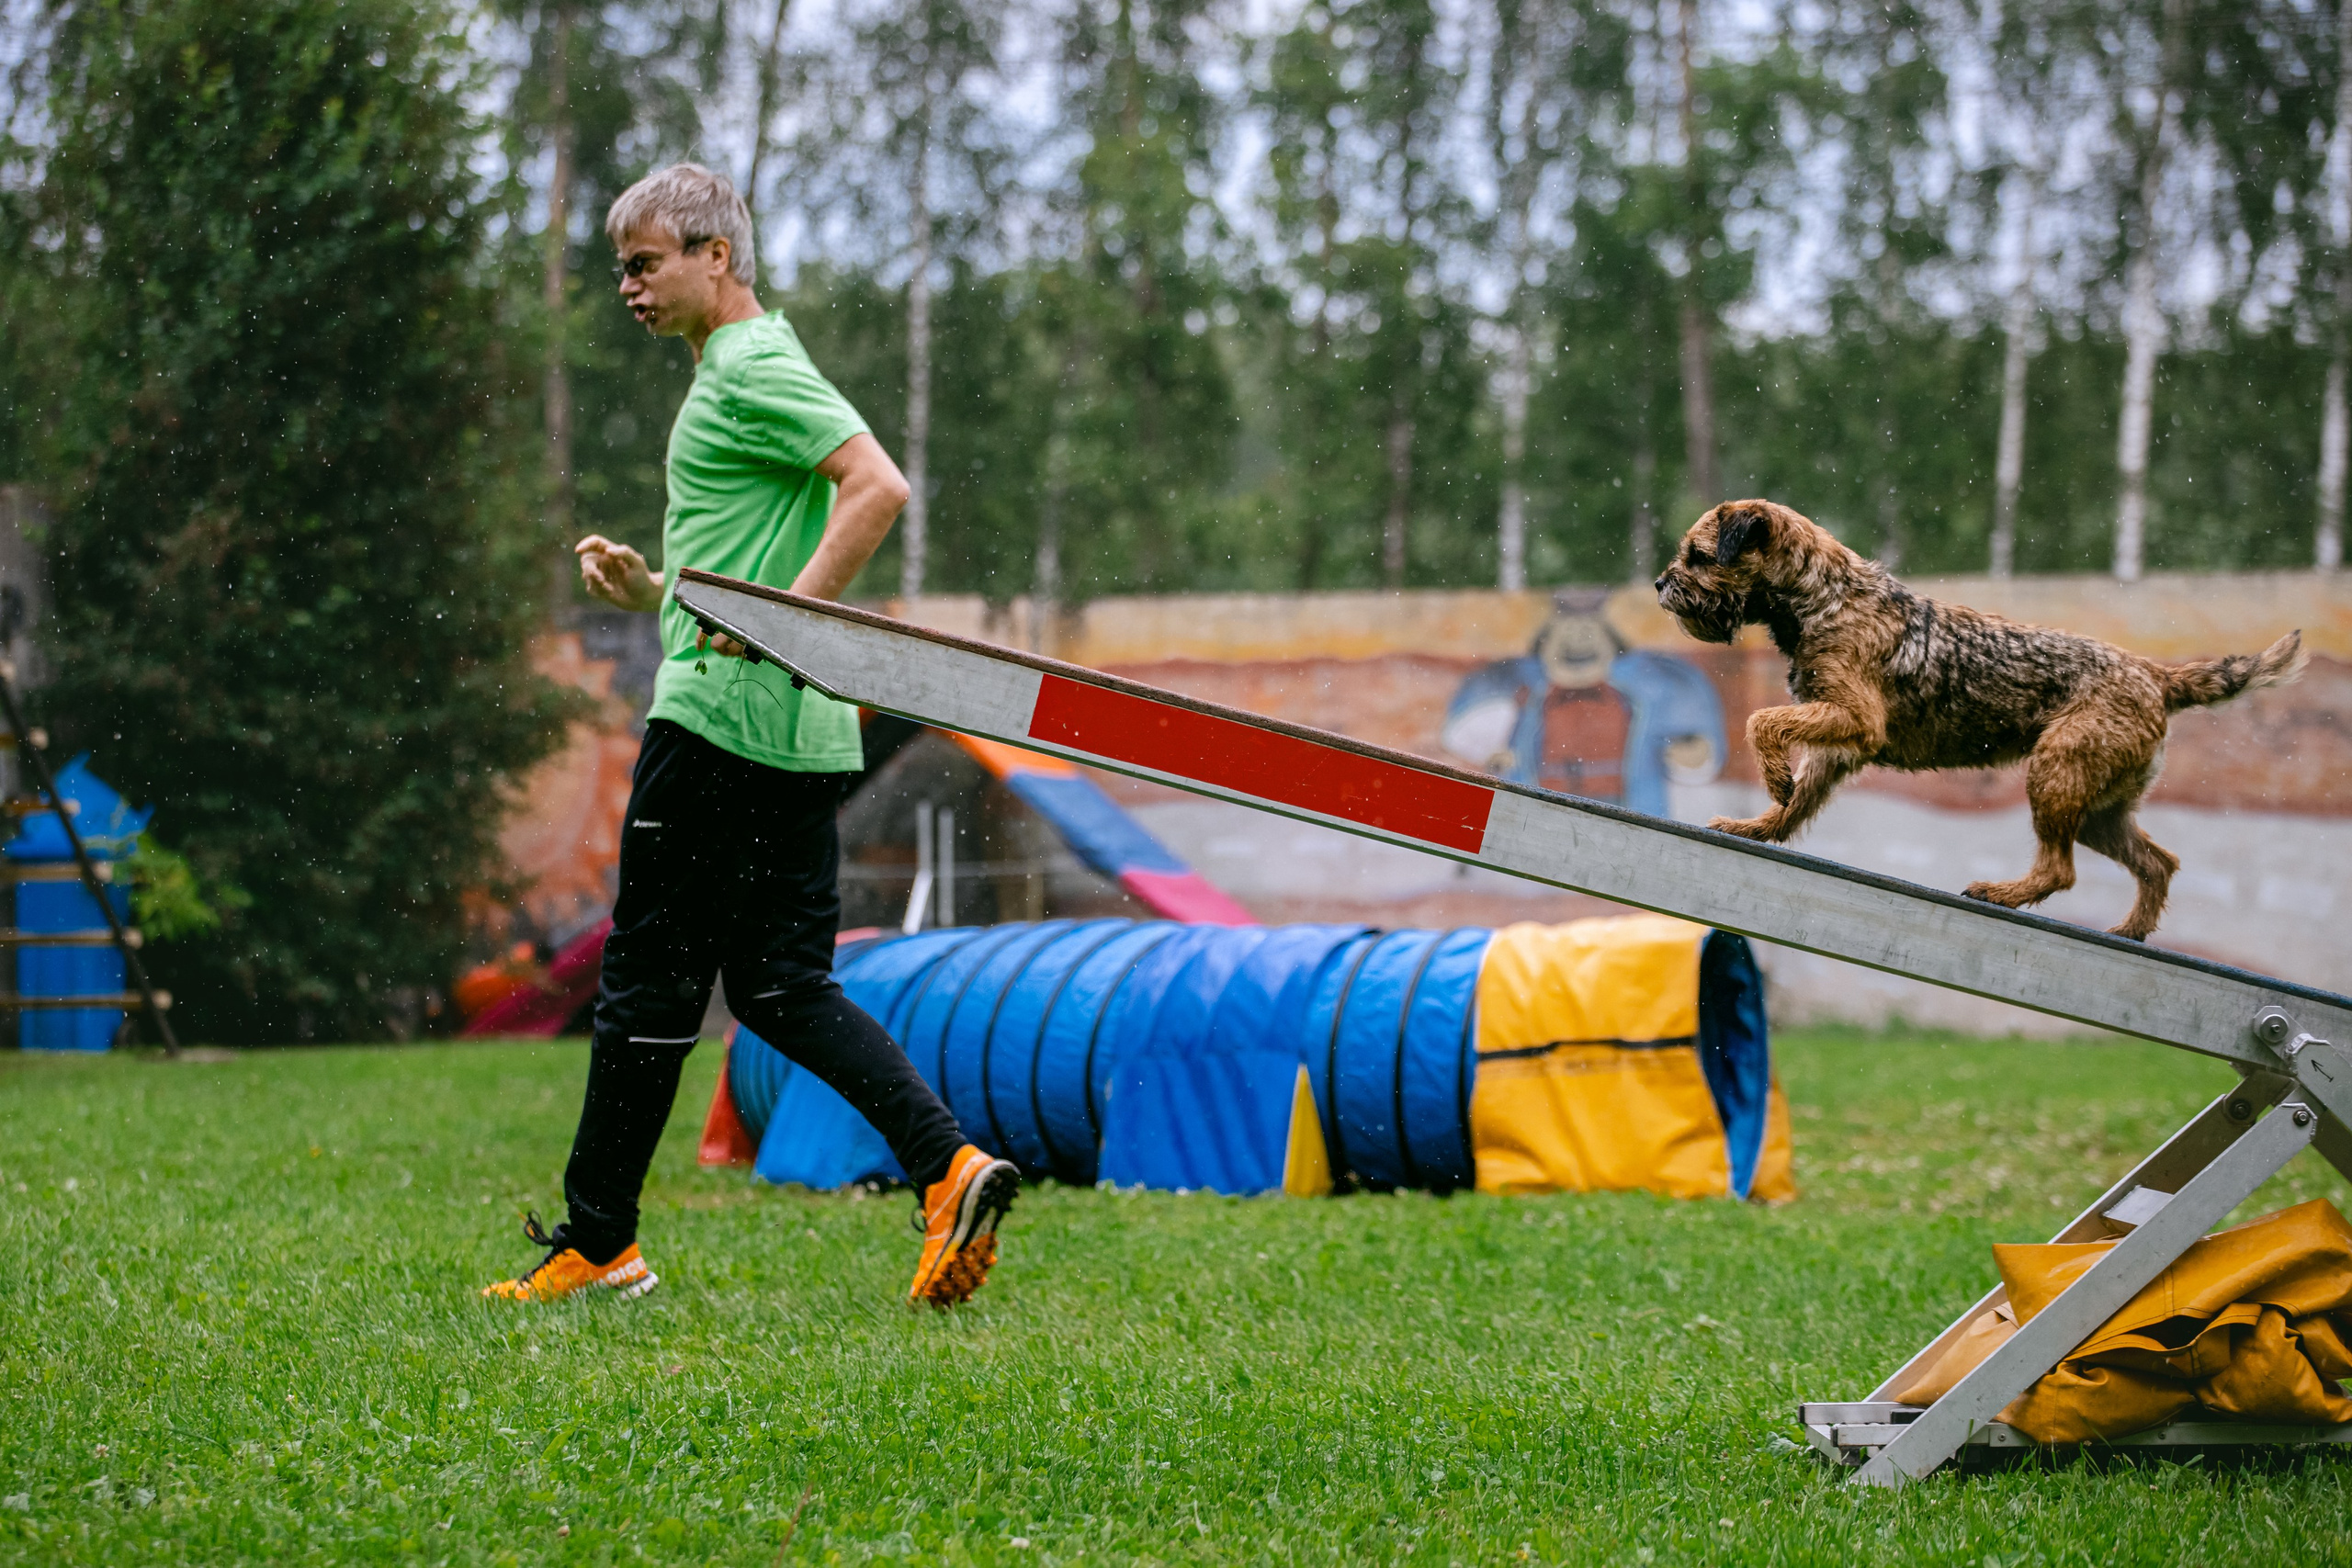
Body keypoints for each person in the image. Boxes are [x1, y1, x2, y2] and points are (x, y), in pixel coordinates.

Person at [482, 164, 1017, 1307]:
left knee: (644, 989)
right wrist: (654, 592)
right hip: (797, 736)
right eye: (619, 267)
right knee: (780, 987)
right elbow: (758, 561)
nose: (627, 286)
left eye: (645, 262)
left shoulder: (752, 366)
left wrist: (788, 628)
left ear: (713, 258)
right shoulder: (740, 371)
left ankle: (597, 1242)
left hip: (720, 727)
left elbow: (876, 487)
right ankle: (947, 1169)